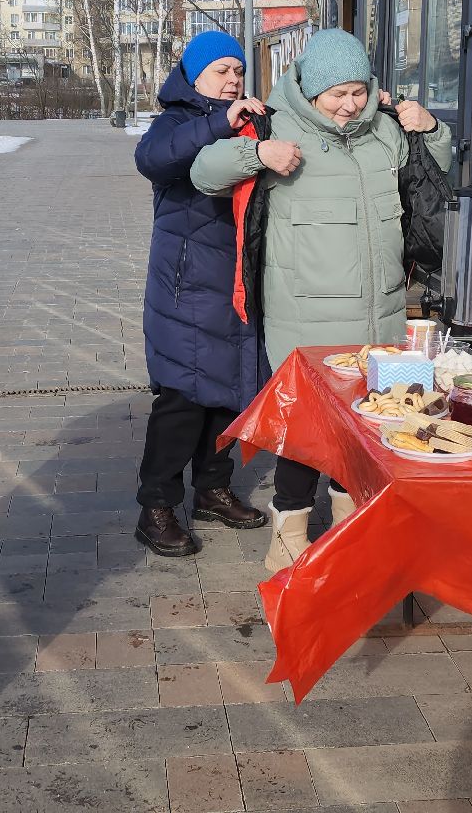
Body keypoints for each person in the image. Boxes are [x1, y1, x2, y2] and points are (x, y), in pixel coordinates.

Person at [191, 28, 451, 573]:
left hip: (379, 311)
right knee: (307, 430)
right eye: (337, 94)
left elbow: (434, 171)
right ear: (310, 89)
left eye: (357, 91)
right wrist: (256, 151)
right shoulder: (275, 124)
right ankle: (288, 529)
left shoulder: (385, 130)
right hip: (304, 312)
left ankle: (347, 529)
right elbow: (204, 172)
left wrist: (432, 128)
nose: (349, 104)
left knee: (362, 428)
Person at [130, 30, 272, 556]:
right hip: (186, 285)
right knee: (182, 399)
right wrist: (220, 121)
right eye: (221, 71)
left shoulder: (247, 120)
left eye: (237, 70)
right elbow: (153, 159)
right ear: (193, 75)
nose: (233, 79)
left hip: (234, 282)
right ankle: (156, 505)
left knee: (228, 394)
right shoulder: (176, 122)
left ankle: (212, 487)